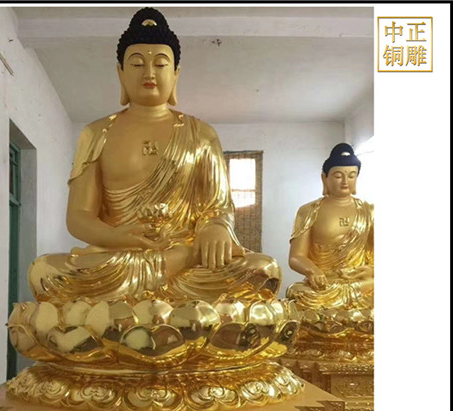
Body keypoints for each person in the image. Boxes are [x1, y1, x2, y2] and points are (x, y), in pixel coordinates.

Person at [28, 7, 280, 305]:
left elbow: (218, 207)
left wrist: (215, 228)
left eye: (160, 64)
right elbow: (78, 217)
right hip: (121, 256)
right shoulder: (95, 133)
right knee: (44, 271)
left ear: (175, 74)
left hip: (185, 256)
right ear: (121, 73)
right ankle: (172, 287)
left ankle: (127, 301)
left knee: (263, 270)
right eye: (137, 64)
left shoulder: (201, 134)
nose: (149, 73)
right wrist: (123, 238)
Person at [286, 143, 374, 310]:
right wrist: (313, 271)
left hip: (361, 284)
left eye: (351, 176)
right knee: (297, 292)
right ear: (324, 178)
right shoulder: (308, 211)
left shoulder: (369, 211)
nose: (345, 182)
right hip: (324, 285)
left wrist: (371, 271)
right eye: (338, 176)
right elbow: (296, 256)